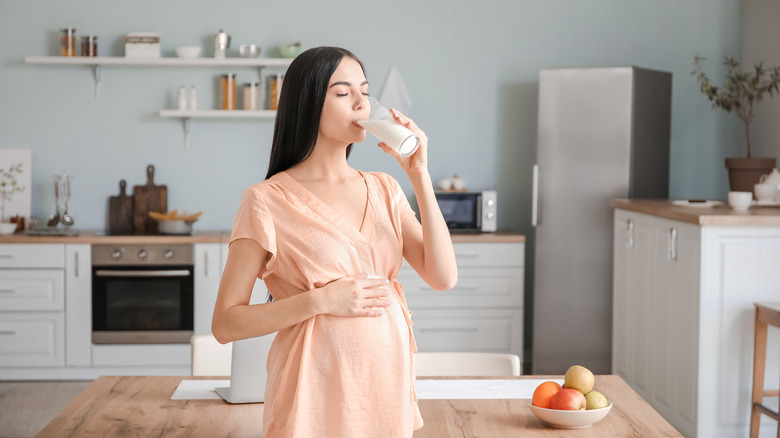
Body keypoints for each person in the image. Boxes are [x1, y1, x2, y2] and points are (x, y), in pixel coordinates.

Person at [212, 46, 458, 438]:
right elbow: (225, 323)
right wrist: (320, 300)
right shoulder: (266, 200)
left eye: (365, 91)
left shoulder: (384, 188)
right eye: (344, 94)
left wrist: (419, 175)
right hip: (312, 396)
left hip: (385, 389)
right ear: (308, 106)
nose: (362, 104)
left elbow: (443, 277)